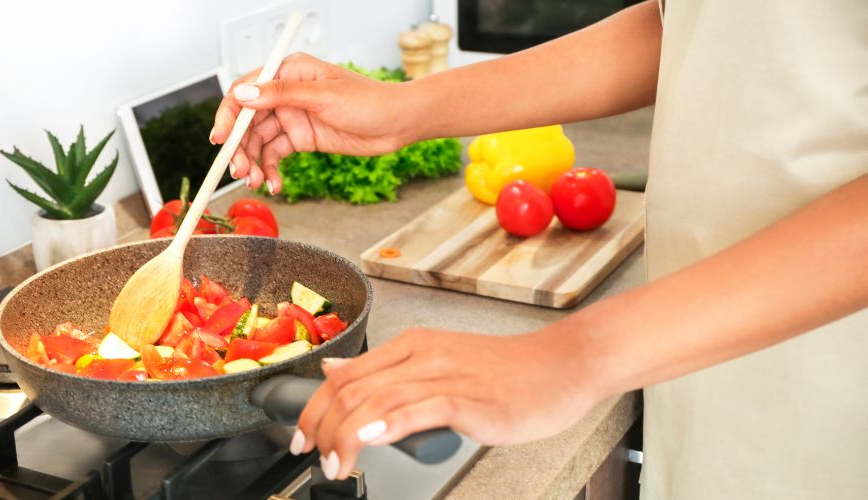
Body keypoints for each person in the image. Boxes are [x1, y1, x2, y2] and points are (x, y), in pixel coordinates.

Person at [210, 1, 868, 498]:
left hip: (832, 384)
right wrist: (403, 110)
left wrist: (576, 355)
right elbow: (695, 26)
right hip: (695, 349)